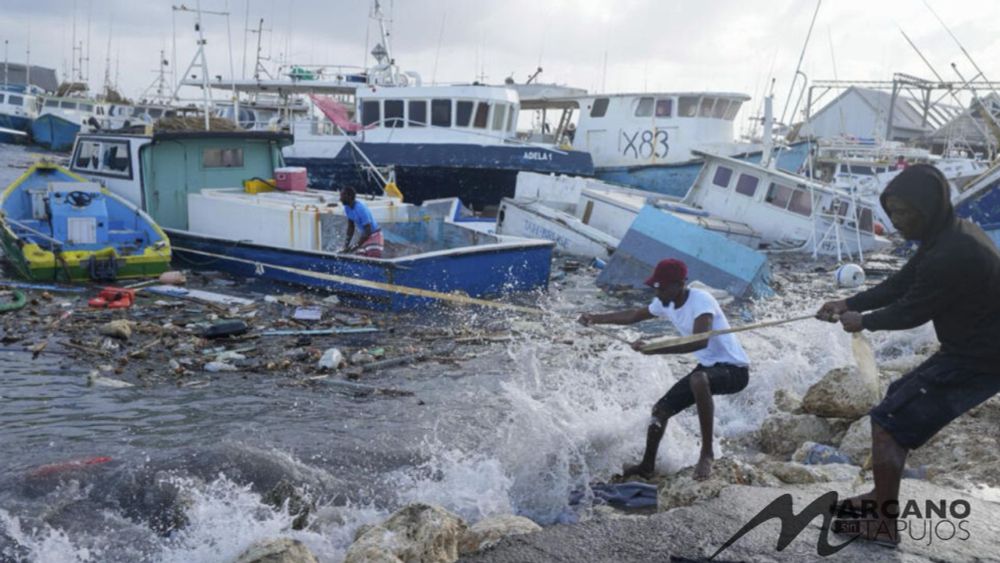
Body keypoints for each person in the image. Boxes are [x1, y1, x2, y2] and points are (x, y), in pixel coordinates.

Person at [817, 164, 1000, 546]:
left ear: (928, 207)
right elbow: (901, 284)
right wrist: (848, 301)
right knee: (897, 397)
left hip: (981, 358)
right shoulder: (949, 234)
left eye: (902, 212)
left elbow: (911, 310)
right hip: (974, 349)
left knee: (887, 420)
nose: (896, 221)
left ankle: (884, 521)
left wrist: (861, 320)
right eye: (892, 212)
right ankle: (881, 499)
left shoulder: (951, 252)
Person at [579, 259, 751, 481]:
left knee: (698, 379)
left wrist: (656, 348)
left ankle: (706, 454)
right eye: (655, 288)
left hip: (735, 371)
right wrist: (594, 318)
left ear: (680, 284)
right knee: (659, 411)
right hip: (709, 369)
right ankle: (646, 466)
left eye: (661, 288)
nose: (657, 293)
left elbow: (700, 341)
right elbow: (633, 315)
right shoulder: (665, 302)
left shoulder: (702, 301)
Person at [340, 186, 383, 258]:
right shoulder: (347, 208)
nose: (340, 199)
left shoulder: (361, 208)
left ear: (349, 196)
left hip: (374, 235)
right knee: (357, 256)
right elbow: (351, 227)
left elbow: (368, 231)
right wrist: (346, 245)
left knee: (372, 256)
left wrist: (355, 246)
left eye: (342, 196)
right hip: (365, 236)